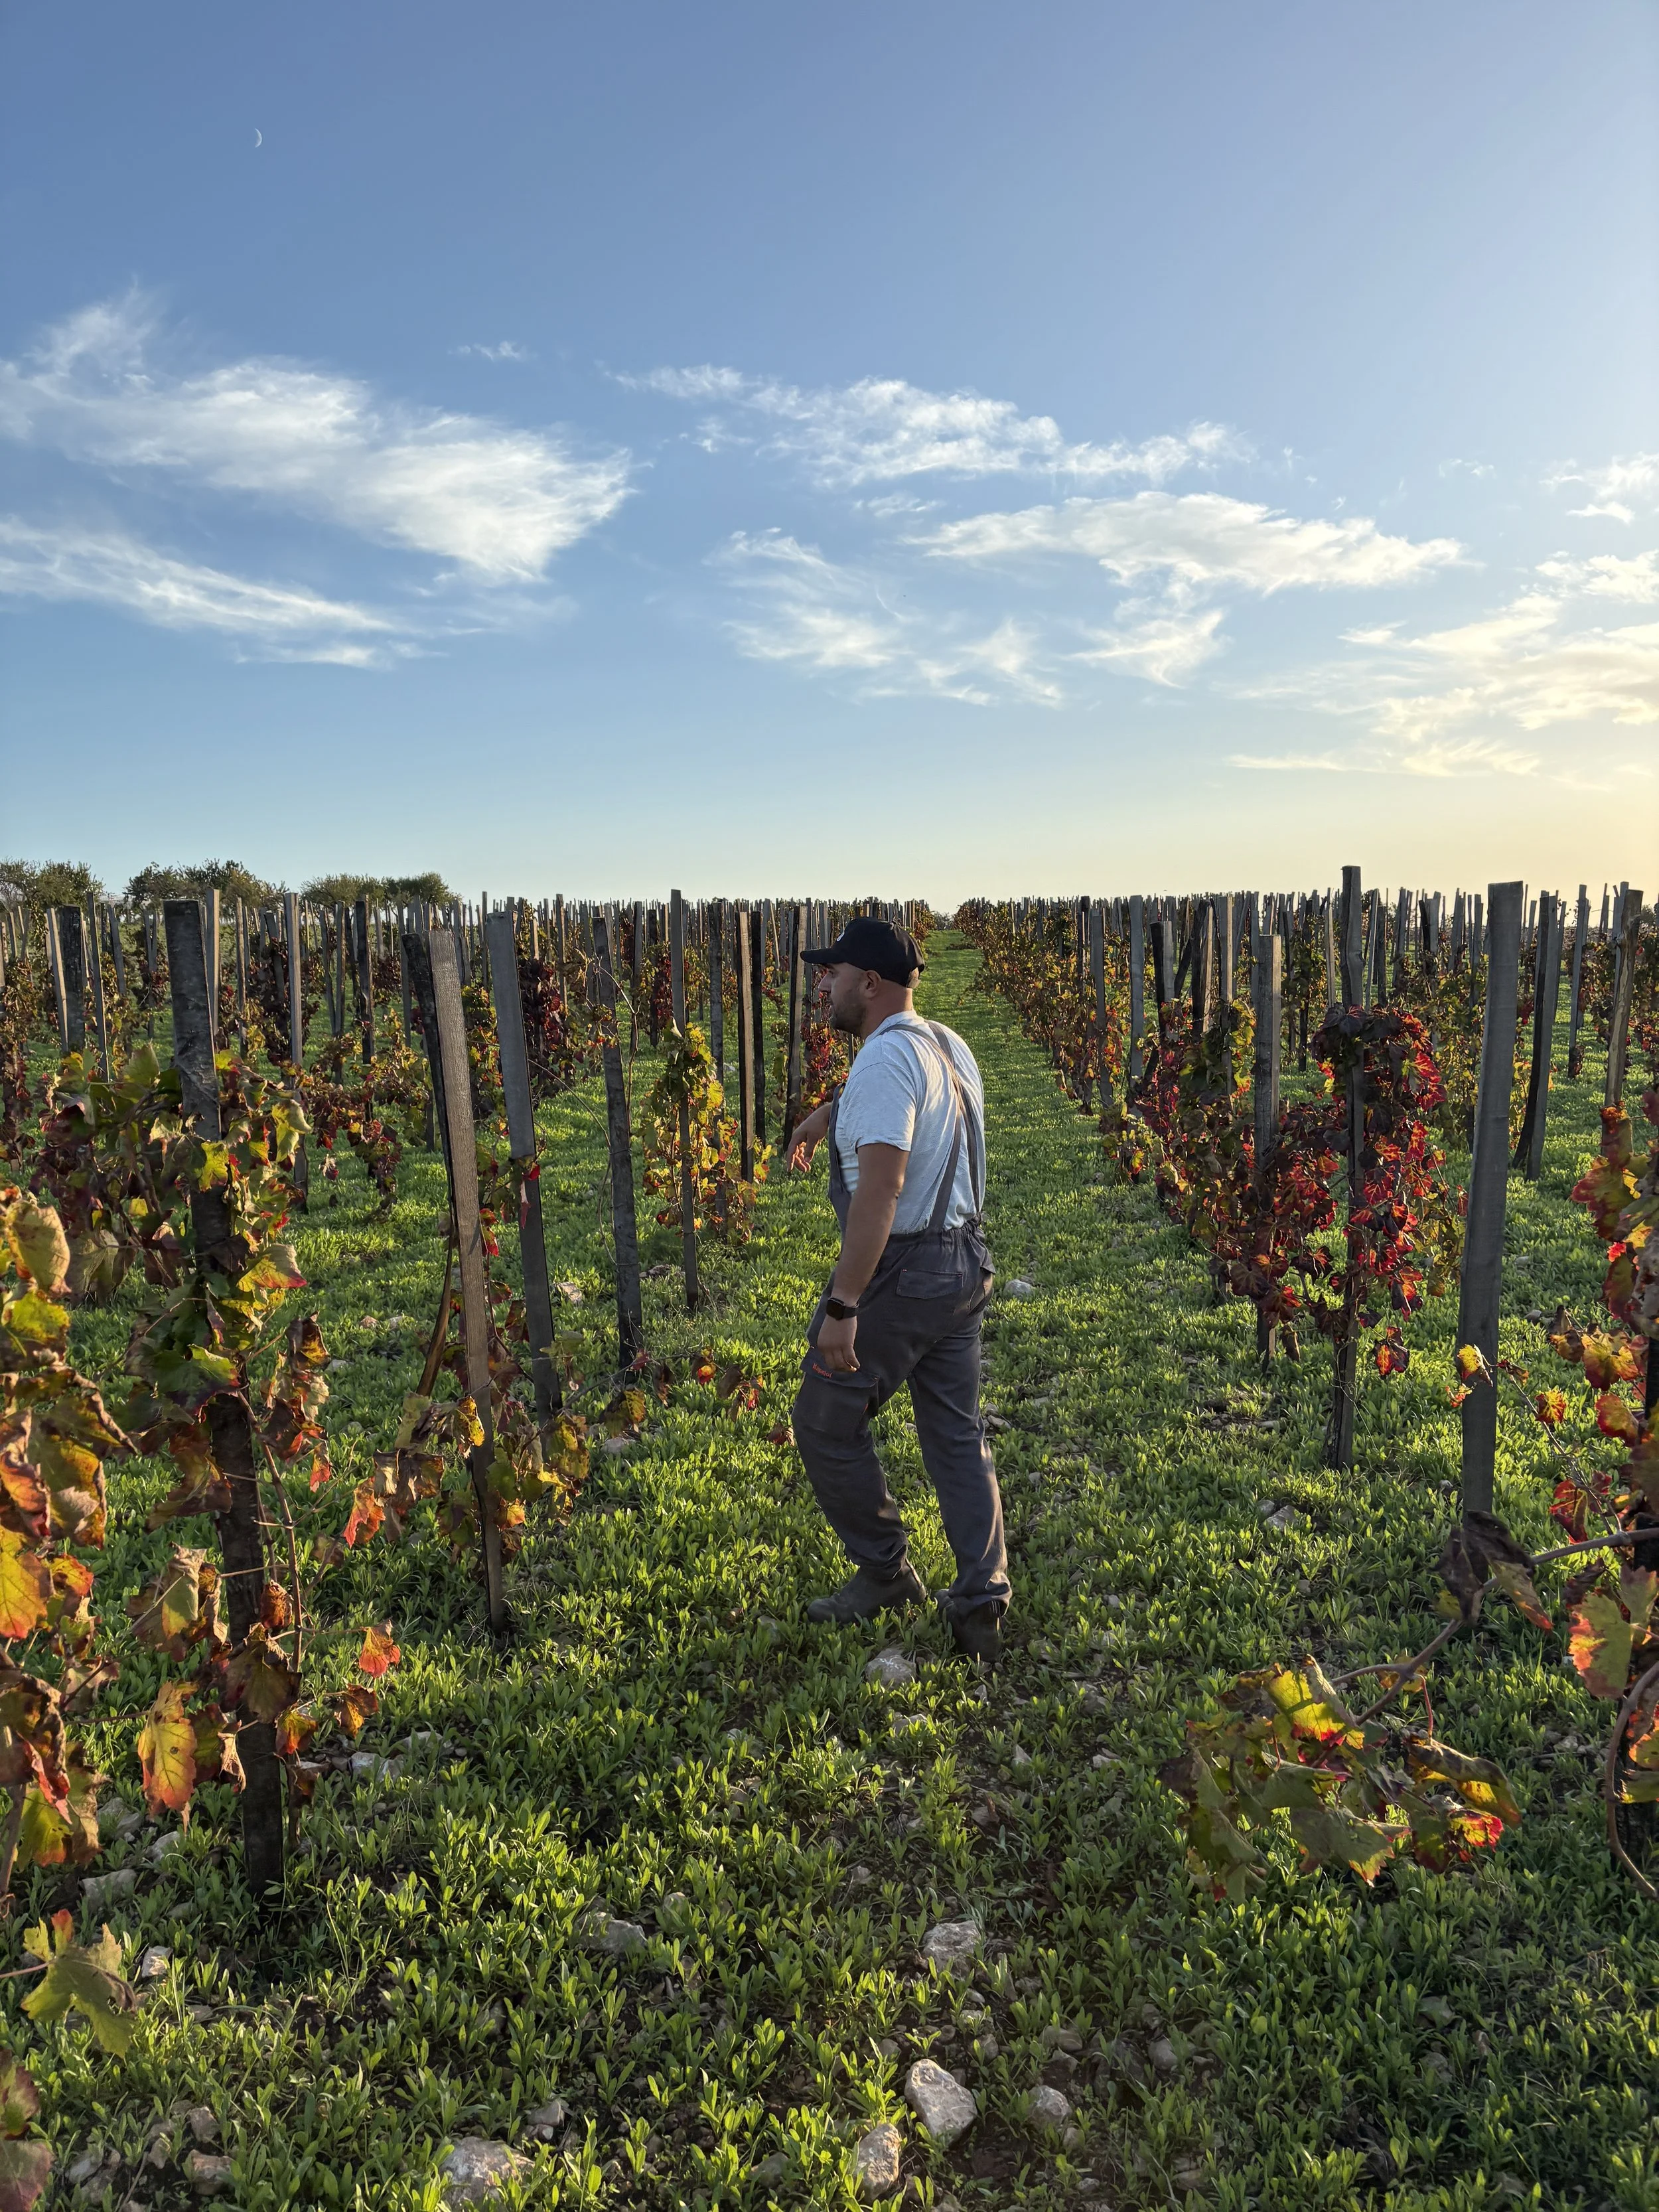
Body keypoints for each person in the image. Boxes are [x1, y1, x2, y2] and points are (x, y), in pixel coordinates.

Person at [784, 917, 1007, 1663]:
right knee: (954, 1434)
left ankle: (885, 1573)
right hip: (964, 1261)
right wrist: (830, 1114)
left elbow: (881, 1190)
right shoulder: (944, 1043)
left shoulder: (882, 1064)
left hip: (904, 1273)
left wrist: (844, 1306)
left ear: (869, 982)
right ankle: (981, 1603)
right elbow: (919, 1118)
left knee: (823, 1417)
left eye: (832, 973)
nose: (822, 986)